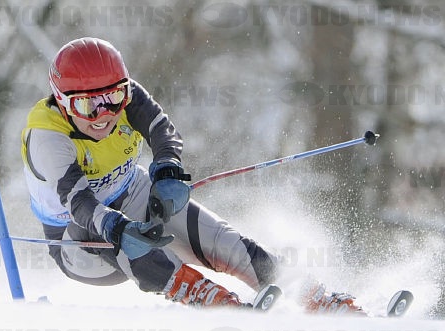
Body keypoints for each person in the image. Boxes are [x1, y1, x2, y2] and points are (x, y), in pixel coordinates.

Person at [21, 37, 364, 312]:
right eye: (87, 105)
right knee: (117, 236)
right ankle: (216, 302)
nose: (104, 114)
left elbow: (162, 130)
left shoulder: (127, 99)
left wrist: (167, 169)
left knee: (223, 241)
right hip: (78, 240)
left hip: (132, 192)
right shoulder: (48, 138)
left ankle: (312, 295)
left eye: (113, 97)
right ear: (63, 103)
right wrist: (118, 226)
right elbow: (80, 202)